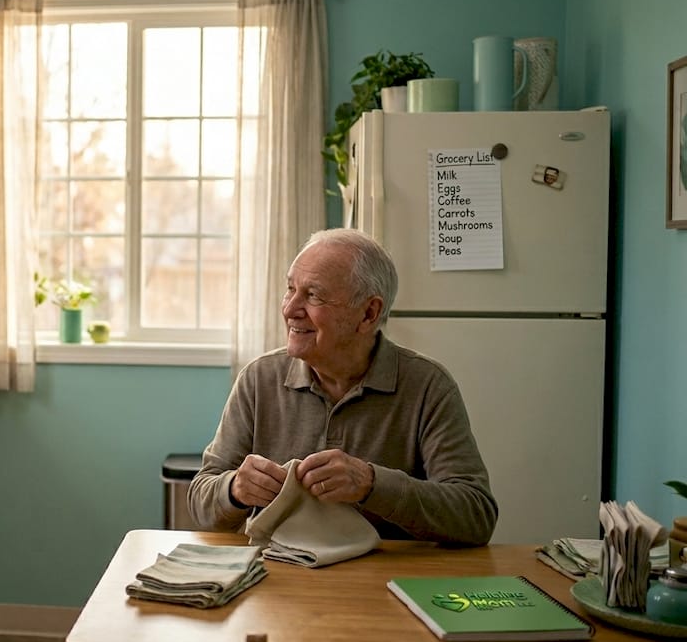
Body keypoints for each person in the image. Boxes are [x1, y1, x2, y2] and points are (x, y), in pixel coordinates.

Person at [187, 228, 497, 545]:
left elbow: (475, 516)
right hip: (275, 577)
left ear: (368, 313)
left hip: (385, 581)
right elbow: (200, 502)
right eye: (290, 289)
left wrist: (373, 485)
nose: (290, 309)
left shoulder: (428, 386)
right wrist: (235, 490)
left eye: (313, 295)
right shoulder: (258, 379)